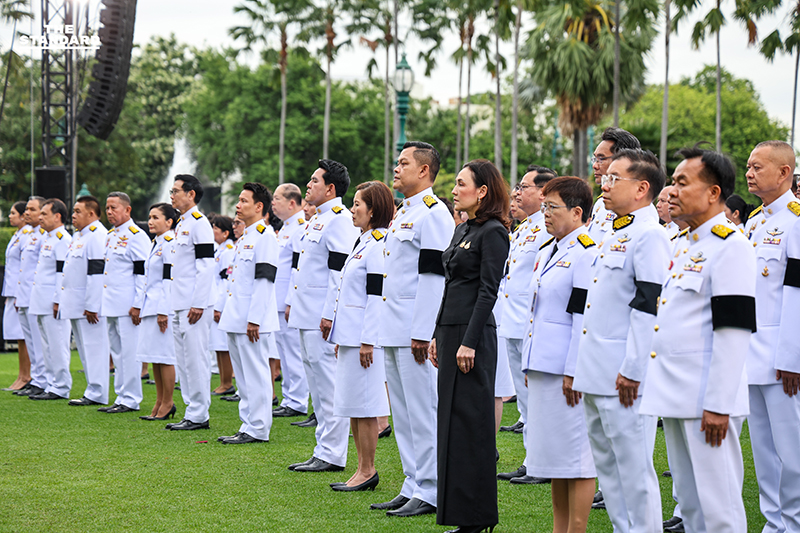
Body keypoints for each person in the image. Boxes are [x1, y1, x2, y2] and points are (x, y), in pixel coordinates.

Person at [640, 146, 755, 532]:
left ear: (713, 193)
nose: (672, 190)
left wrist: (719, 405)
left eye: (682, 182)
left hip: (707, 399)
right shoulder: (686, 243)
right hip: (676, 394)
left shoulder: (732, 246)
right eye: (672, 181)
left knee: (718, 507)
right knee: (690, 505)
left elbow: (733, 330)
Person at [572, 149, 668, 533]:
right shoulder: (615, 230)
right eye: (606, 176)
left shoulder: (650, 235)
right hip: (597, 370)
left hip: (624, 376)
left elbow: (649, 308)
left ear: (642, 188)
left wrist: (633, 369)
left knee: (634, 471)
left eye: (615, 178)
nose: (605, 183)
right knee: (608, 470)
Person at [371, 141, 455, 517]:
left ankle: (433, 488)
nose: (396, 167)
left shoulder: (434, 214)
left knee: (423, 411)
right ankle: (413, 483)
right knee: (403, 413)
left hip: (414, 332)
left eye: (404, 163)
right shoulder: (405, 212)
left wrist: (424, 330)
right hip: (393, 327)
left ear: (424, 171)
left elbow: (434, 276)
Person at [429, 159, 509, 533]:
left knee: (471, 425)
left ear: (482, 192)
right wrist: (436, 332)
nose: (455, 188)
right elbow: (450, 286)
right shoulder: (462, 227)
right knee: (450, 425)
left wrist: (469, 342)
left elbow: (487, 291)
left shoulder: (493, 231)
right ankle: (458, 515)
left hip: (471, 336)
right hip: (449, 331)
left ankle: (477, 519)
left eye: (462, 184)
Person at [521, 176, 598, 533]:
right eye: (544, 206)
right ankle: (559, 527)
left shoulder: (585, 251)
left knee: (577, 457)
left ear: (577, 212)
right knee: (553, 457)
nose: (545, 214)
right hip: (542, 365)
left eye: (552, 207)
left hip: (566, 369)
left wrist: (574, 370)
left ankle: (576, 528)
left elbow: (582, 317)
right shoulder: (548, 250)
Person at [286, 160, 359, 471]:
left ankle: (332, 453)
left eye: (314, 181)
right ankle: (322, 448)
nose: (308, 185)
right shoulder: (317, 219)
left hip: (321, 317)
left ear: (330, 188)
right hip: (306, 314)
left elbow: (338, 273)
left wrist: (330, 314)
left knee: (327, 385)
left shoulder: (340, 220)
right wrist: (292, 301)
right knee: (316, 383)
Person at [742, 140, 800, 533]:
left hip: (783, 360)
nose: (749, 172)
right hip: (752, 355)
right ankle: (774, 523)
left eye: (758, 167)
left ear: (784, 173)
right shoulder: (755, 222)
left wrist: (792, 359)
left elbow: (796, 296)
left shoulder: (796, 223)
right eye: (748, 166)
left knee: (793, 452)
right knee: (764, 452)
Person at [327, 181, 393, 492]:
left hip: (364, 340)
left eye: (358, 204)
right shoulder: (362, 241)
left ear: (373, 209)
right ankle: (360, 468)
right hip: (351, 337)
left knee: (366, 406)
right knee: (353, 404)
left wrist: (368, 340)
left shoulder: (379, 243)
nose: (353, 209)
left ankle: (368, 469)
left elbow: (376, 295)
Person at [497, 165, 555, 485]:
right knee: (525, 399)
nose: (517, 192)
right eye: (517, 187)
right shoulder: (522, 229)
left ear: (543, 193)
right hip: (513, 320)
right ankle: (531, 458)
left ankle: (541, 462)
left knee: (537, 398)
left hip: (532, 323)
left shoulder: (546, 227)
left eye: (524, 187)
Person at [215, 182, 280, 444]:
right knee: (242, 377)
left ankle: (259, 428)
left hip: (252, 319)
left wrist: (254, 319)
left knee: (256, 375)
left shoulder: (265, 236)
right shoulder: (246, 237)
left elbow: (264, 281)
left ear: (258, 206)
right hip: (236, 316)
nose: (238, 205)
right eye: (239, 200)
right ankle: (248, 424)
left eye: (243, 201)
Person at [166, 175, 215, 431]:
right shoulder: (182, 223)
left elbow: (206, 266)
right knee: (183, 359)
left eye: (175, 191)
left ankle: (199, 413)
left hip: (194, 305)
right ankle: (191, 410)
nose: (171, 195)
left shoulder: (199, 223)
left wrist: (198, 302)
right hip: (180, 302)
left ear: (191, 194)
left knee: (195, 359)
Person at [99, 192, 150, 413]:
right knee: (117, 352)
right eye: (107, 208)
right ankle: (121, 396)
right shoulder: (110, 235)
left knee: (129, 353)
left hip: (128, 305)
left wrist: (138, 303)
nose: (109, 212)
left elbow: (142, 272)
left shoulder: (136, 235)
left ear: (127, 210)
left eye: (114, 208)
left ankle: (130, 398)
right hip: (111, 303)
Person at [60, 196, 110, 407]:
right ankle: (92, 389)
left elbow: (97, 273)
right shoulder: (80, 236)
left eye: (78, 211)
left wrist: (92, 305)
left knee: (95, 347)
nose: (73, 215)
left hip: (89, 305)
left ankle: (98, 392)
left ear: (91, 213)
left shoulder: (98, 235)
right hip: (76, 302)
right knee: (84, 347)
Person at [271, 183, 310, 419]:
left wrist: (290, 301)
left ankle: (297, 400)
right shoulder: (285, 228)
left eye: (277, 198)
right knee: (284, 352)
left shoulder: (299, 228)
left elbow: (297, 269)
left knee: (293, 351)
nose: (273, 202)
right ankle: (289, 397)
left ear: (292, 203)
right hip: (277, 299)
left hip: (287, 300)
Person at [136, 203, 178, 420]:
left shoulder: (170, 243)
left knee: (165, 356)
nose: (150, 221)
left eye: (156, 217)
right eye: (149, 217)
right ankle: (160, 401)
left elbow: (168, 279)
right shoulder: (157, 243)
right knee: (155, 357)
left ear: (169, 222)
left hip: (162, 308)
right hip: (150, 306)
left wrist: (164, 310)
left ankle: (168, 402)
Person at [28, 199, 72, 401]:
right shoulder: (48, 238)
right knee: (46, 345)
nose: (40, 218)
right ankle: (51, 383)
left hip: (52, 301)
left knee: (57, 343)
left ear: (57, 216)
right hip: (41, 299)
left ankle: (61, 386)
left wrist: (58, 299)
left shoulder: (63, 239)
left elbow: (61, 273)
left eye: (44, 214)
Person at [12, 197, 47, 398]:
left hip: (36, 296)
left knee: (38, 340)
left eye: (32, 210)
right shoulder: (30, 235)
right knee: (31, 340)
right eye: (26, 209)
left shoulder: (43, 235)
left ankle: (42, 380)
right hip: (24, 295)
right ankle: (36, 378)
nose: (27, 213)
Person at [587, 128, 642, 243]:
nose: (595, 165)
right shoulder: (600, 203)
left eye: (601, 159)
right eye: (595, 159)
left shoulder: (636, 204)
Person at [2, 201, 31, 392]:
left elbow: (25, 267)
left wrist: (20, 293)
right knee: (18, 336)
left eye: (13, 213)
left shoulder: (28, 235)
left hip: (20, 291)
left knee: (23, 336)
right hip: (12, 291)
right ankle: (22, 375)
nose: (10, 216)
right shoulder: (18, 234)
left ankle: (27, 375)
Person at [209, 214, 236, 396]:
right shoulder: (219, 250)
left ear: (226, 233)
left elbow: (225, 282)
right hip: (215, 300)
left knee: (223, 345)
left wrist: (219, 306)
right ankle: (223, 381)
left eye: (216, 229)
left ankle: (227, 382)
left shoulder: (227, 252)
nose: (212, 232)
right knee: (218, 345)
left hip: (222, 301)